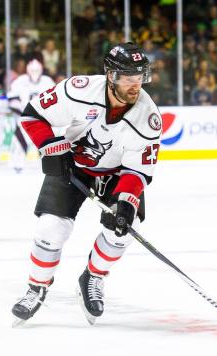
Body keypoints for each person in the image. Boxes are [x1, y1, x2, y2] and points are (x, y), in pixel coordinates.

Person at [11, 42, 161, 325]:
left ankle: (93, 276)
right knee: (51, 227)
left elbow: (137, 170)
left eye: (139, 78)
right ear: (111, 75)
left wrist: (125, 206)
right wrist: (53, 148)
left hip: (117, 173)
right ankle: (36, 287)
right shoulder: (79, 90)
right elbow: (33, 115)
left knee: (124, 231)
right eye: (128, 78)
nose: (135, 85)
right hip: (73, 164)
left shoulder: (148, 117)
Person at [6, 59, 55, 173]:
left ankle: (47, 165)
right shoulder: (20, 81)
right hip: (25, 119)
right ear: (27, 70)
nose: (34, 73)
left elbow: (56, 100)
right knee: (19, 141)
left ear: (41, 70)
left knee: (46, 142)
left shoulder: (47, 82)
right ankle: (17, 164)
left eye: (37, 70)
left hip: (43, 120)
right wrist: (25, 111)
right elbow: (12, 100)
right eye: (32, 70)